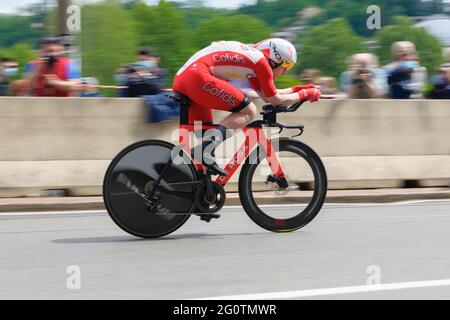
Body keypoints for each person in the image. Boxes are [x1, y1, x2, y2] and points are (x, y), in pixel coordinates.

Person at [172, 38, 321, 176]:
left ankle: (198, 188)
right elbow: (275, 100)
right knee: (249, 111)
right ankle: (205, 149)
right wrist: (306, 93)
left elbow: (267, 96)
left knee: (206, 138)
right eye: (286, 65)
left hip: (186, 79)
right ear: (276, 59)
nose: (285, 71)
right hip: (198, 77)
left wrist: (297, 89)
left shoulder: (254, 62)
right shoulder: (262, 64)